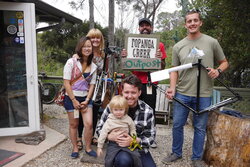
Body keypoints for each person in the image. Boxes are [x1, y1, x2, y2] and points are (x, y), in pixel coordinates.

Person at [162, 10, 229, 167]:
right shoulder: (179, 46)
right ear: (185, 24)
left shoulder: (211, 42)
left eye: (195, 20)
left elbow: (225, 62)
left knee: (199, 127)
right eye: (189, 21)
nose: (192, 23)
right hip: (182, 93)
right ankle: (176, 153)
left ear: (200, 22)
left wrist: (218, 70)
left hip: (204, 94)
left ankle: (196, 158)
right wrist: (172, 88)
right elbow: (174, 70)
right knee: (177, 124)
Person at [121, 18, 167, 148]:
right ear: (138, 28)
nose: (144, 28)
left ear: (151, 27)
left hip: (150, 83)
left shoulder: (160, 45)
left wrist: (159, 59)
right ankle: (129, 134)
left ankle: (150, 136)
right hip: (135, 83)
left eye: (147, 25)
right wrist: (124, 57)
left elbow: (163, 66)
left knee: (150, 109)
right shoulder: (131, 43)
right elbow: (128, 65)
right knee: (131, 108)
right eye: (142, 26)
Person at [96, 74, 157, 167]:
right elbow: (99, 129)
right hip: (117, 147)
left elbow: (151, 137)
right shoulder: (112, 107)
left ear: (139, 93)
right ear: (122, 92)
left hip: (139, 148)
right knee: (124, 161)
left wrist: (134, 141)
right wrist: (109, 137)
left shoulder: (147, 111)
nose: (129, 96)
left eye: (133, 92)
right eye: (126, 92)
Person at [63, 36, 98, 158]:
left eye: (89, 46)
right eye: (84, 46)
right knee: (74, 124)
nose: (87, 48)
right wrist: (73, 100)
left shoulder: (93, 66)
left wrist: (88, 99)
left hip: (86, 99)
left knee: (89, 124)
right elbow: (66, 82)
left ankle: (88, 148)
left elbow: (92, 85)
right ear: (80, 47)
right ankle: (75, 148)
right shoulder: (71, 62)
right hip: (71, 98)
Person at [76, 28, 105, 150]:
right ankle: (78, 137)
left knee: (94, 114)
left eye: (97, 37)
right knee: (81, 112)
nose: (95, 40)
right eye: (92, 37)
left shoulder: (103, 54)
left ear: (101, 39)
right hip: (84, 87)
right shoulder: (83, 52)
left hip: (97, 88)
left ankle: (91, 136)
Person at [97, 95, 142, 167]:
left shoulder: (128, 119)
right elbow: (103, 133)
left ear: (125, 109)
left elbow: (133, 129)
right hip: (113, 144)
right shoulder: (109, 121)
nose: (118, 112)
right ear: (112, 110)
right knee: (108, 160)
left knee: (136, 156)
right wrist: (100, 147)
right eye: (116, 110)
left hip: (127, 143)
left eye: (121, 110)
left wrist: (133, 139)